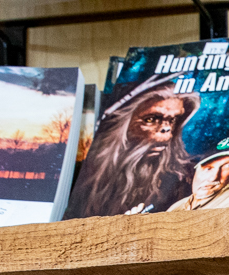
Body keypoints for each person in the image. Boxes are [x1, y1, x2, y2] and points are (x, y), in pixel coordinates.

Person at [64, 80, 198, 217]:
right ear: (124, 123)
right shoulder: (91, 174)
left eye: (173, 120)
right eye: (151, 119)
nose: (166, 129)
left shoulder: (186, 178)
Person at [167, 138, 229, 211]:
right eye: (208, 168)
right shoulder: (177, 206)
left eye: (227, 165)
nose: (213, 177)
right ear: (195, 169)